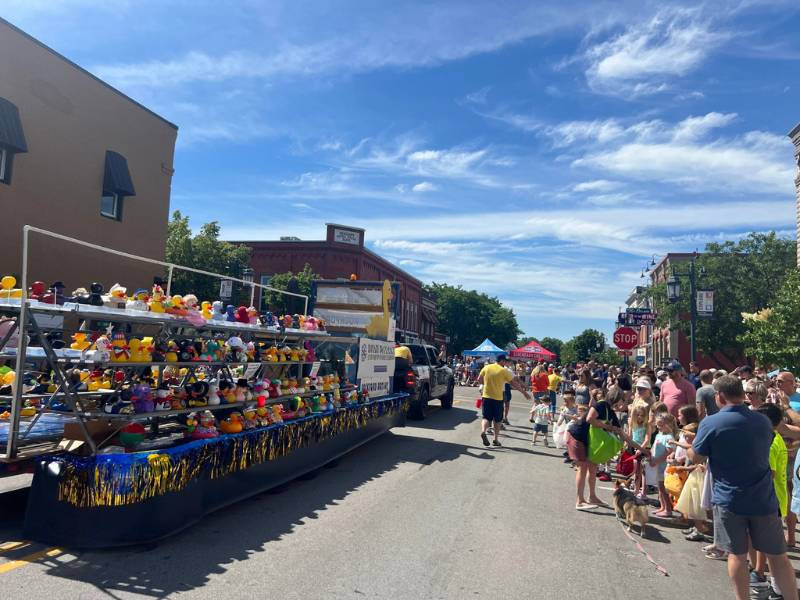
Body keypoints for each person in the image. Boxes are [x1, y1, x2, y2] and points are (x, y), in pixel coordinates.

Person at [689, 375, 797, 600]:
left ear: (719, 396)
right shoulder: (762, 421)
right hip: (763, 498)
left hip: (730, 499)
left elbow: (696, 456)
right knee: (778, 557)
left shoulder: (712, 422)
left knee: (737, 555)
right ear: (741, 393)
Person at [750, 403, 788, 593]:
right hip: (774, 498)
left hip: (770, 499)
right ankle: (759, 572)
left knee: (772, 547)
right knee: (765, 542)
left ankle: (775, 588)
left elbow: (769, 474)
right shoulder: (776, 438)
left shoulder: (771, 443)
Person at [477, 354, 531, 447]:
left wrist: (487, 385)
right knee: (498, 420)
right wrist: (524, 392)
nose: (506, 362)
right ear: (501, 361)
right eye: (505, 361)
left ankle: (483, 431)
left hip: (486, 396)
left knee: (486, 417)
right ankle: (495, 439)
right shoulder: (504, 370)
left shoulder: (486, 367)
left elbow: (479, 379)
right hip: (498, 398)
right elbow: (514, 383)